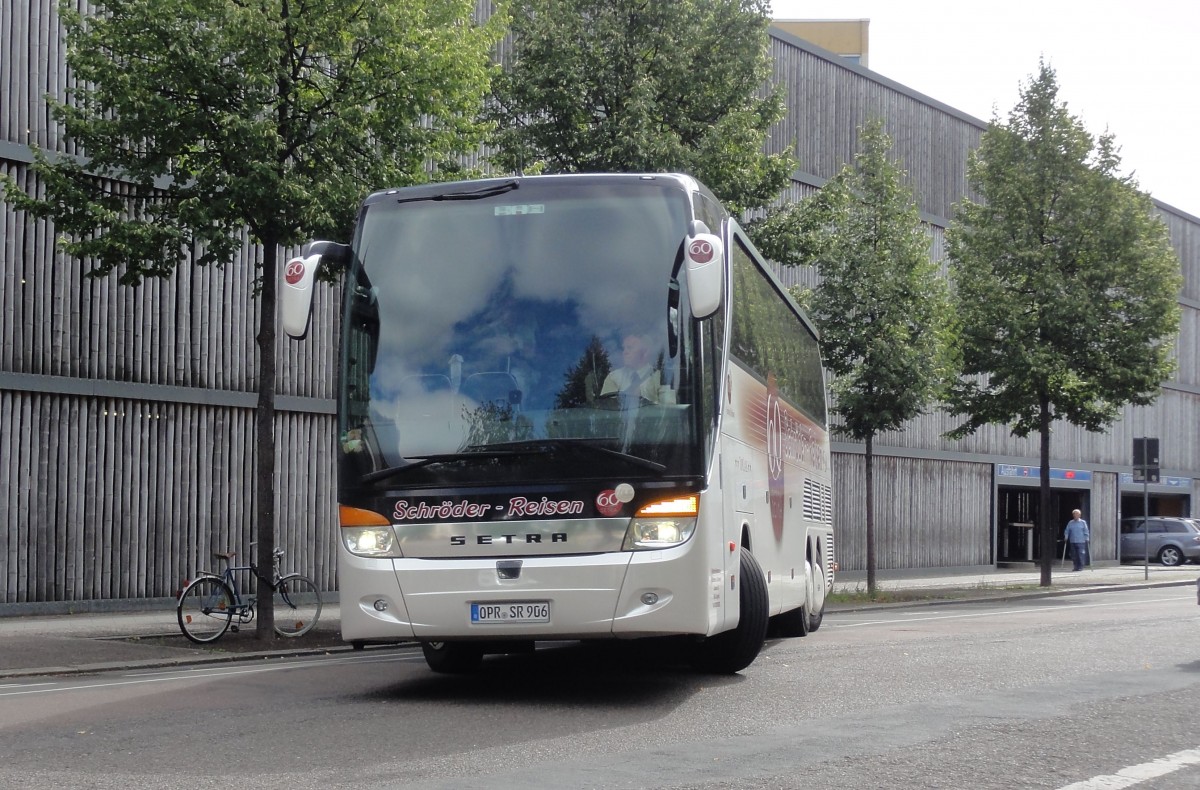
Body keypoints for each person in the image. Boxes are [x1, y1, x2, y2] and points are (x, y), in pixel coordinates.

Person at [600, 333, 660, 405]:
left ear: (645, 352)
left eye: (630, 348)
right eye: (623, 348)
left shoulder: (659, 378)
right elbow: (605, 409)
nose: (625, 352)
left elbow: (669, 408)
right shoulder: (613, 378)